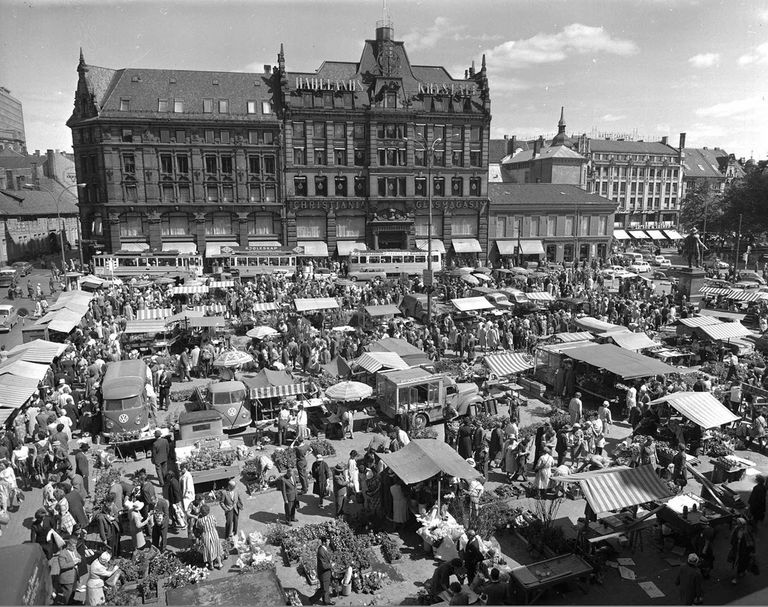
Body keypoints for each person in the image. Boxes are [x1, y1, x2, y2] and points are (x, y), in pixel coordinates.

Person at [194, 503, 223, 570]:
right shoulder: (212, 517)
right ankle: (220, 564)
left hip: (206, 535)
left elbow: (198, 527)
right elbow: (215, 524)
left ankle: (211, 565)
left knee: (209, 550)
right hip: (214, 533)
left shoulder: (200, 521)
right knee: (217, 548)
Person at [55, 537, 82, 605]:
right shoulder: (62, 554)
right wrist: (74, 562)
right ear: (69, 545)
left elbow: (79, 557)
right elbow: (63, 566)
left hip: (75, 575)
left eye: (75, 546)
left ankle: (71, 601)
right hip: (67, 578)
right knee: (68, 595)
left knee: (73, 591)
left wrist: (79, 559)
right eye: (73, 546)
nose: (74, 547)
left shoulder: (74, 550)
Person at [728, 517, 755, 584]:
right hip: (737, 550)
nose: (737, 524)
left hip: (743, 552)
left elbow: (750, 543)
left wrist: (752, 552)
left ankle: (736, 577)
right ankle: (739, 573)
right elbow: (733, 538)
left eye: (738, 523)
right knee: (736, 563)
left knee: (740, 564)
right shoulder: (737, 529)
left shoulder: (746, 532)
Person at [316, 536, 335, 606]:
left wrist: (330, 560)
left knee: (324, 588)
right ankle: (325, 601)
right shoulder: (321, 551)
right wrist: (331, 565)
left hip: (325, 573)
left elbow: (325, 559)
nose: (329, 542)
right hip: (324, 574)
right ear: (324, 542)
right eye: (328, 541)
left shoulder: (324, 548)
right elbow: (323, 566)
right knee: (324, 589)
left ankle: (325, 600)